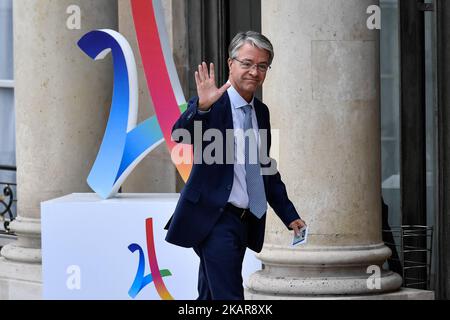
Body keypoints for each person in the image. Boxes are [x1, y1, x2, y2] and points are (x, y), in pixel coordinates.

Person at [165, 31, 306, 300]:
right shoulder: (211, 104)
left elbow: (266, 169)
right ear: (231, 63)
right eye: (247, 63)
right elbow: (179, 134)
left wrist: (289, 214)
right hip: (214, 219)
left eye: (262, 66)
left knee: (209, 296)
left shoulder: (261, 112)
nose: (254, 71)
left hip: (245, 221)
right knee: (230, 297)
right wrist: (203, 108)